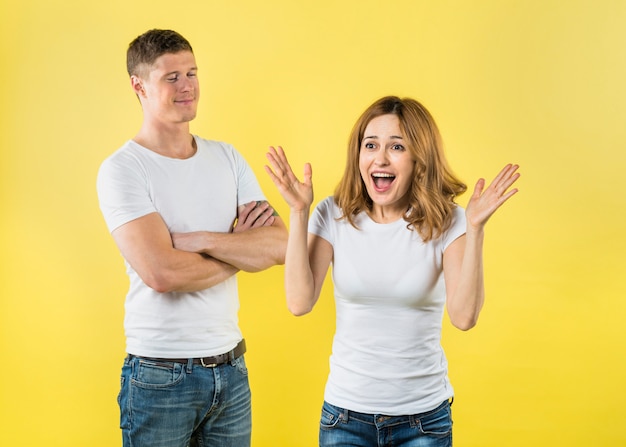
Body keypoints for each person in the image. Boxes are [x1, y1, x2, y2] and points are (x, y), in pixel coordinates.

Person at [265, 95, 520, 447]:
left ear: (419, 159)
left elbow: (464, 317)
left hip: (422, 421)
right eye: (370, 145)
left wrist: (475, 230)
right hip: (345, 417)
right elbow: (299, 301)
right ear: (358, 155)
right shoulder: (333, 214)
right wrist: (298, 213)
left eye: (396, 146)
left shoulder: (449, 221)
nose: (380, 158)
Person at [96, 29, 287, 447]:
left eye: (192, 73)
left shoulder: (227, 157)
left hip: (232, 369)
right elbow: (161, 272)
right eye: (172, 77)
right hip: (161, 377)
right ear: (138, 85)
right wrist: (239, 249)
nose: (187, 86)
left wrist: (200, 239)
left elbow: (280, 246)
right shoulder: (124, 170)